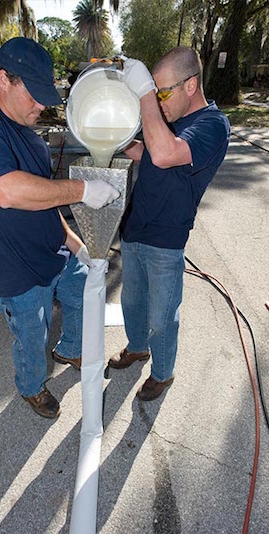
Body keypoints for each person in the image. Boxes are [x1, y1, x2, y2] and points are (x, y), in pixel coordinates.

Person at [0, 37, 121, 419]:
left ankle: (71, 348)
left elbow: (45, 199)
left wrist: (76, 245)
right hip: (13, 269)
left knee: (82, 298)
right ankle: (31, 387)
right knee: (31, 337)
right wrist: (83, 190)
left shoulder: (30, 134)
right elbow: (6, 192)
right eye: (34, 95)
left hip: (54, 251)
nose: (42, 105)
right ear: (4, 79)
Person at [111, 48, 230, 400]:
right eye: (156, 92)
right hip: (134, 226)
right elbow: (148, 153)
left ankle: (162, 373)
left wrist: (145, 92)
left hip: (166, 239)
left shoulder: (212, 125)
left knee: (162, 317)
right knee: (132, 301)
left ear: (190, 85)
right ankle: (136, 347)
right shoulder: (170, 120)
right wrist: (117, 139)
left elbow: (165, 154)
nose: (159, 100)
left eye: (163, 91)